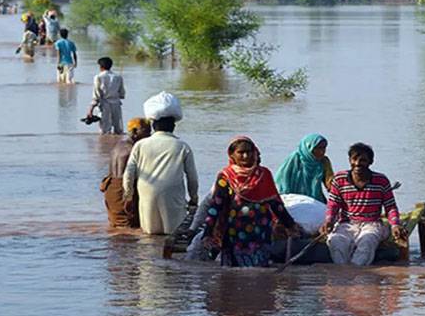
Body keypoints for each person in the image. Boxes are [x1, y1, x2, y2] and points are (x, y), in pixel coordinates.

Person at [201, 136, 301, 267]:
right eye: (240, 152)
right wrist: (207, 232)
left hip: (260, 232)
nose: (245, 155)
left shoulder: (264, 175)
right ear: (232, 154)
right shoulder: (225, 177)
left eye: (249, 151)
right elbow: (216, 205)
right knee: (233, 272)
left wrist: (290, 225)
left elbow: (276, 204)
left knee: (259, 271)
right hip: (234, 233)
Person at [123, 94, 199, 235]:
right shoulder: (182, 146)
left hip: (147, 194)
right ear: (173, 126)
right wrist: (193, 199)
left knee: (149, 236)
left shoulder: (140, 145)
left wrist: (128, 196)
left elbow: (129, 174)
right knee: (172, 235)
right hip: (173, 197)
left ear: (153, 126)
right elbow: (192, 178)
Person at [321, 143, 407, 266]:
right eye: (354, 159)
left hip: (372, 223)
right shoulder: (340, 179)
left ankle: (358, 276)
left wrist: (394, 225)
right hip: (347, 224)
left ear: (370, 162)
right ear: (349, 160)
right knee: (336, 241)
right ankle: (342, 275)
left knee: (367, 241)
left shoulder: (381, 181)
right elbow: (333, 204)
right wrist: (328, 221)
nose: (357, 164)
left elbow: (390, 207)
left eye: (363, 160)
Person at [100, 117, 151, 228]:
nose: (149, 136)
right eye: (146, 132)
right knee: (129, 227)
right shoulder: (133, 149)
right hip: (123, 189)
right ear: (134, 132)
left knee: (117, 226)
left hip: (111, 188)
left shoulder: (118, 145)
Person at [275, 133, 334, 204]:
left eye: (324, 148)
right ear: (309, 147)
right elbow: (282, 181)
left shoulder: (324, 162)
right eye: (318, 148)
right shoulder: (295, 159)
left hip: (316, 200)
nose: (322, 152)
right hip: (294, 200)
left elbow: (330, 183)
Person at [87, 57, 125, 135]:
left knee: (104, 131)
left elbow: (96, 95)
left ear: (101, 67)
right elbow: (122, 94)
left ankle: (104, 145)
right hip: (116, 104)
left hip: (104, 105)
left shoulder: (98, 77)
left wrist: (90, 109)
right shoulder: (118, 77)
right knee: (118, 130)